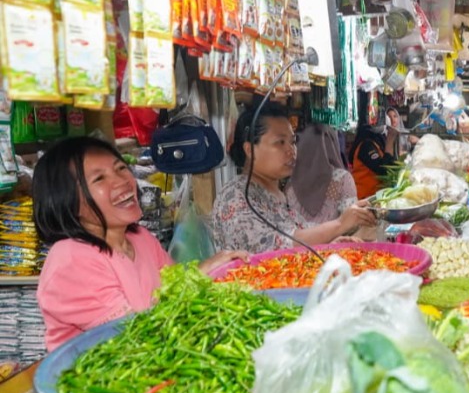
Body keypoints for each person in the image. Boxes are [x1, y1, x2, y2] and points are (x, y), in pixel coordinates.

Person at [33, 137, 245, 350]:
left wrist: (208, 271)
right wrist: (199, 276)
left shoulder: (140, 238)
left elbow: (174, 291)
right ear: (67, 200)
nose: (121, 181)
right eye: (99, 179)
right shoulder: (71, 259)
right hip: (109, 368)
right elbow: (134, 336)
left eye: (121, 168)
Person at [209, 102, 376, 255]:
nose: (292, 150)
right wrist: (339, 224)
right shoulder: (235, 197)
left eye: (293, 141)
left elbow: (297, 236)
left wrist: (331, 243)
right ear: (250, 150)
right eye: (280, 142)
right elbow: (276, 249)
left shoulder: (277, 194)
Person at [292, 124, 360, 225]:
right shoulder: (342, 179)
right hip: (336, 235)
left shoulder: (291, 183)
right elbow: (351, 222)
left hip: (296, 235)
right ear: (333, 144)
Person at [350, 118, 396, 200]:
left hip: (375, 197)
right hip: (365, 198)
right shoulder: (365, 145)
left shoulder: (376, 143)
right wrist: (390, 140)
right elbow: (383, 170)